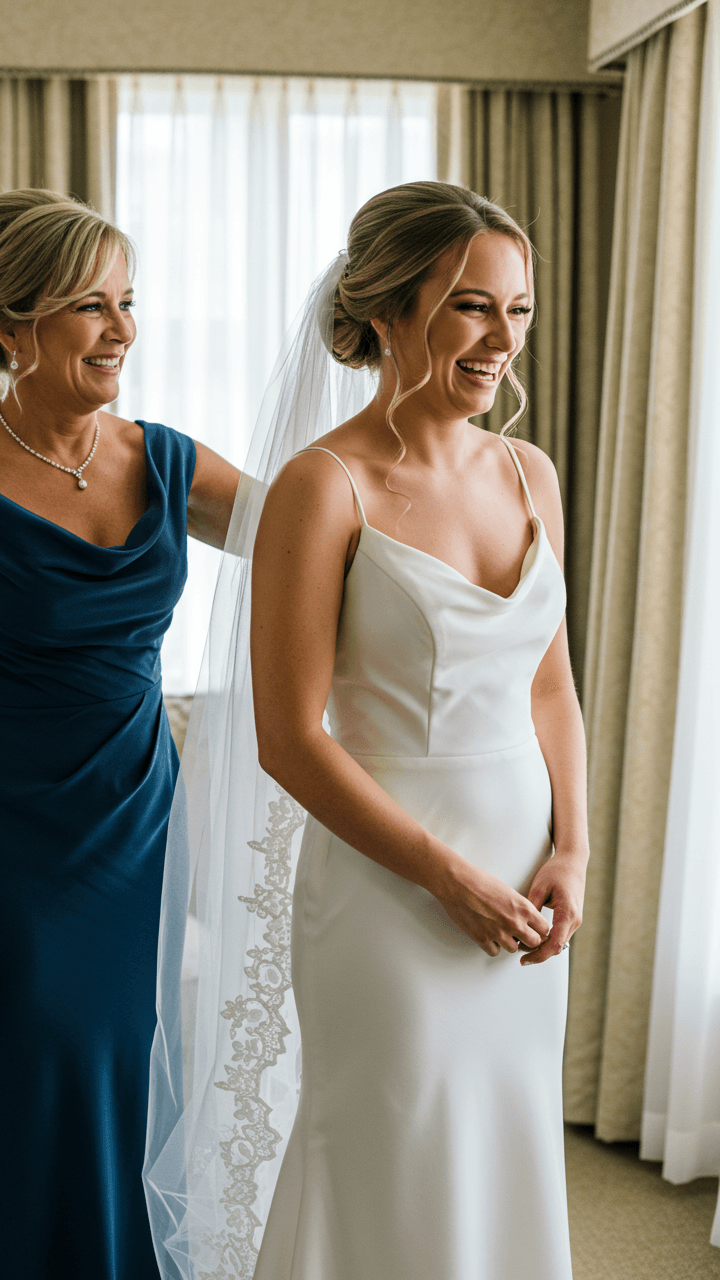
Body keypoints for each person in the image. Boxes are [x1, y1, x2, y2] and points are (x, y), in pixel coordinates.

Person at [145, 183, 587, 1280]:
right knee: (390, 1137)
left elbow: (549, 690)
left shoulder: (528, 473)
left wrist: (571, 847)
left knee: (504, 1137)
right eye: (471, 306)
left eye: (518, 310)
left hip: (525, 876)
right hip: (389, 888)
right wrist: (444, 874)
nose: (501, 339)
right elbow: (288, 738)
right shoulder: (320, 485)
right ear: (389, 311)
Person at [0, 187, 240, 1280]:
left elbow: (313, 534)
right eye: (91, 305)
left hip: (137, 828)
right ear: (11, 328)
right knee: (21, 1089)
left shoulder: (165, 461)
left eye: (128, 301)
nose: (123, 329)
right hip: (2, 850)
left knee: (132, 1089)